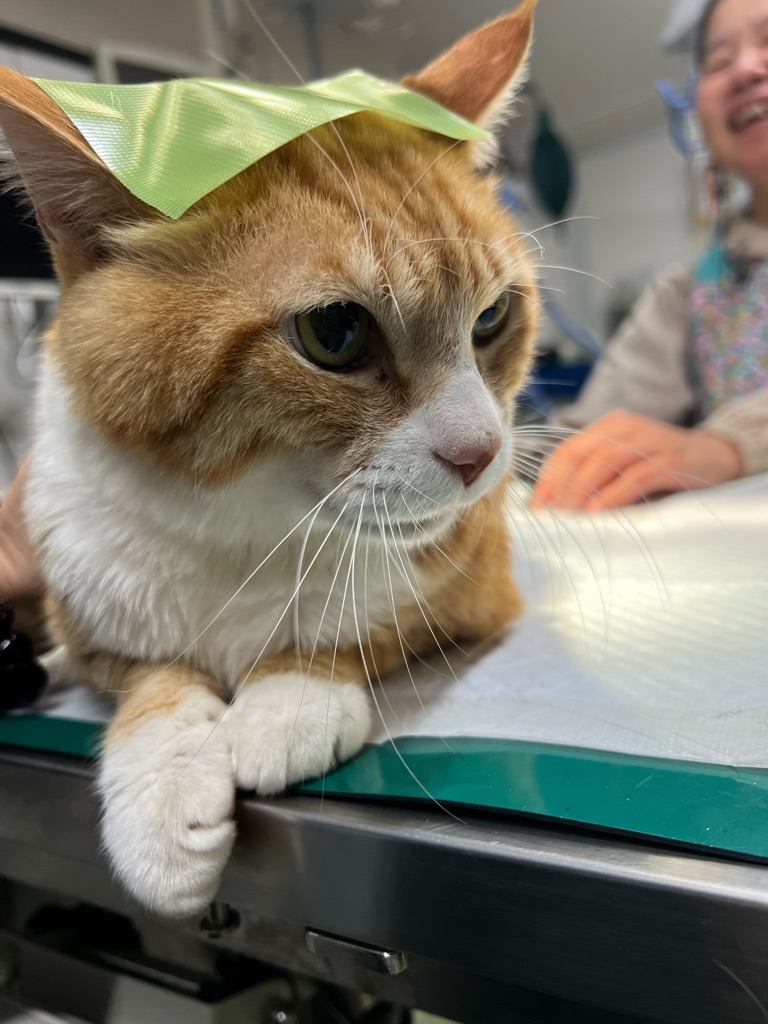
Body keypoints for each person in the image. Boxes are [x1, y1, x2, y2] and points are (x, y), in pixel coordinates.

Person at [534, 0, 768, 511]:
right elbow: (586, 435)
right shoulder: (691, 290)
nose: (745, 69)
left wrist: (729, 445)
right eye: (719, 61)